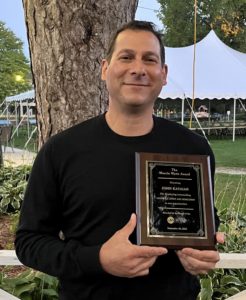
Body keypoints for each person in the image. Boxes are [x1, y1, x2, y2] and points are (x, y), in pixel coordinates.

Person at [15, 20, 223, 300]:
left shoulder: (193, 149)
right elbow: (29, 242)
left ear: (163, 74)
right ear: (105, 68)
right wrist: (97, 259)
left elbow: (203, 219)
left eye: (149, 59)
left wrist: (203, 248)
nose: (138, 69)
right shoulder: (61, 150)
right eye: (126, 57)